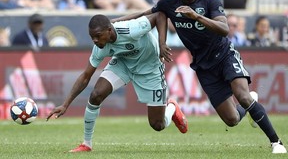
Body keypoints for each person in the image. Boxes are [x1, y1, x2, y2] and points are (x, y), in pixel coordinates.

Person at [113, 0, 287, 154]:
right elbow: (147, 13)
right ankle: (250, 105)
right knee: (232, 119)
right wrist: (112, 22)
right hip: (204, 67)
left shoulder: (210, 0)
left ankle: (276, 143)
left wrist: (196, 16)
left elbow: (224, 29)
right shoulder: (170, 2)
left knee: (242, 96)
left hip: (224, 56)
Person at [46, 13, 188, 152]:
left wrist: (162, 44)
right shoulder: (100, 47)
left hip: (150, 68)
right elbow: (85, 77)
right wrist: (65, 104)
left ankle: (172, 108)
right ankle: (86, 144)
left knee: (157, 124)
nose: (95, 40)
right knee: (96, 95)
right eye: (92, 37)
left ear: (109, 30)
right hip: (123, 64)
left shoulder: (131, 29)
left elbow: (159, 16)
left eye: (98, 36)